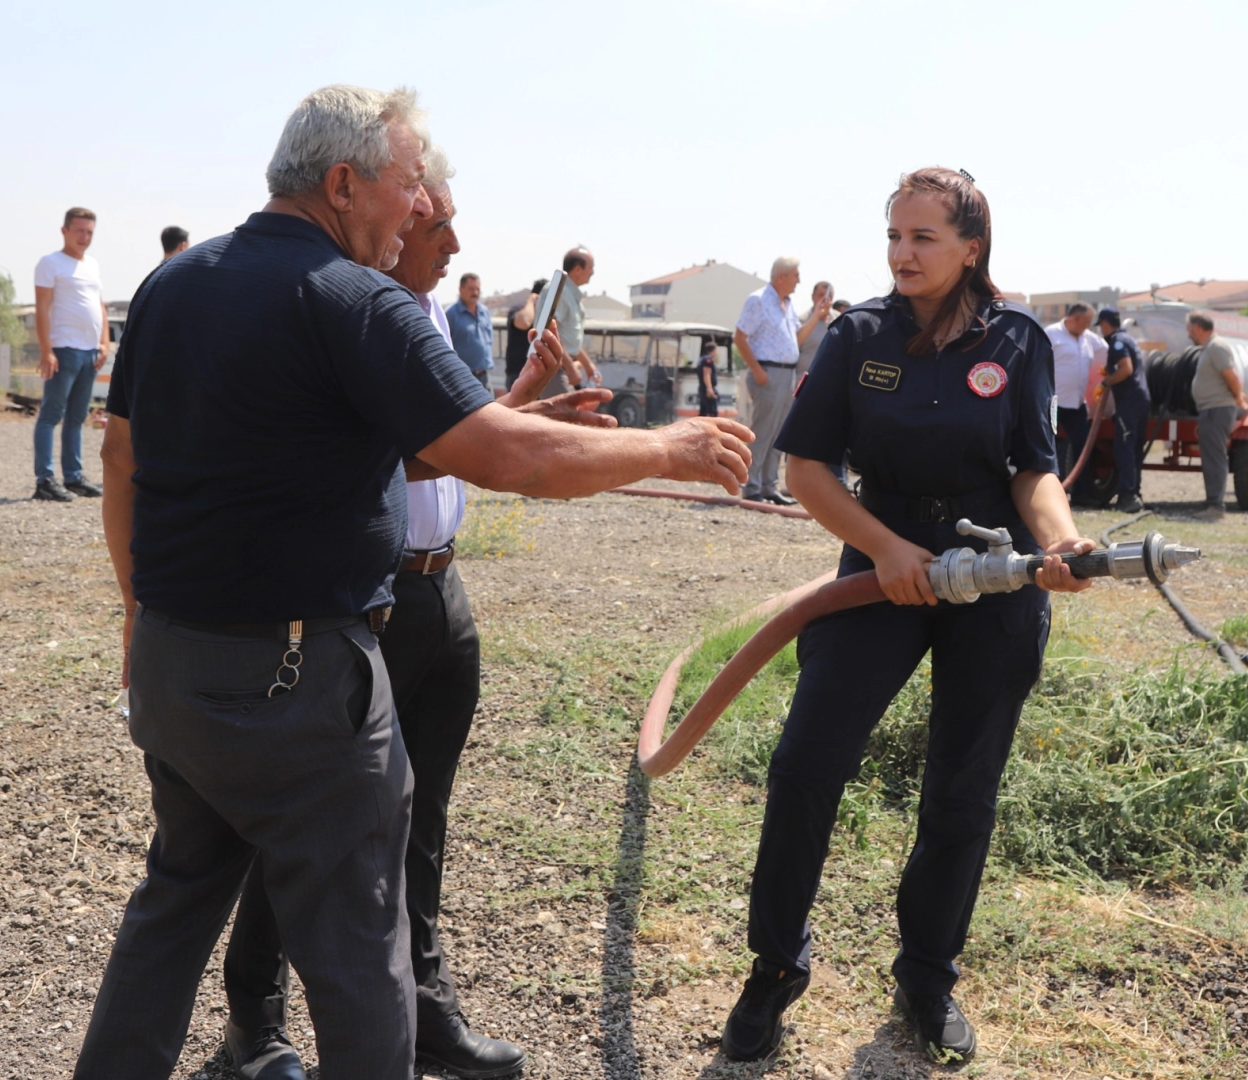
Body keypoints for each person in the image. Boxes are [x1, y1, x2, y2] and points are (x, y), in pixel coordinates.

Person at [77, 84, 752, 1080]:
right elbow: (498, 459)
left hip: (179, 665)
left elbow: (132, 459)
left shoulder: (176, 286)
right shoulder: (354, 300)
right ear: (343, 183)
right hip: (299, 681)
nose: (418, 212)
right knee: (358, 951)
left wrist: (140, 620)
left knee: (170, 912)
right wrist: (670, 445)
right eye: (409, 190)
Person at [215, 147, 607, 1080]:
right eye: (433, 226)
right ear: (388, 229)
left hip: (440, 590)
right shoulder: (349, 316)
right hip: (369, 596)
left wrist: (523, 408)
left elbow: (455, 440)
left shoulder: (425, 310)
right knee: (305, 824)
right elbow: (382, 459)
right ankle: (254, 1025)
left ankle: (425, 1010)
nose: (453, 241)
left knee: (419, 818)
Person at [719, 167, 1093, 1066]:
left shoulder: (1016, 341)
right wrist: (884, 550)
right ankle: (773, 970)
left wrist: (1061, 544)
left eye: (923, 238)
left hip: (992, 574)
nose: (902, 253)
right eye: (894, 235)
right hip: (877, 568)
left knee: (961, 790)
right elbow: (806, 469)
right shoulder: (856, 335)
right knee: (805, 762)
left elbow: (1032, 469)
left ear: (971, 247)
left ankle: (926, 979)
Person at [32, 207, 110, 503]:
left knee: (77, 417)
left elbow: (99, 306)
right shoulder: (50, 263)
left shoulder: (92, 265)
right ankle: (45, 479)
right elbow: (42, 307)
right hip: (63, 350)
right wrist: (46, 350)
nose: (84, 237)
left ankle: (74, 477)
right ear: (65, 230)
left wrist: (104, 344)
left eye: (89, 232)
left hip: (90, 353)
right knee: (52, 415)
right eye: (79, 231)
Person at [735, 257, 828, 505]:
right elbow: (740, 336)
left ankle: (768, 485)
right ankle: (751, 485)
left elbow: (797, 338)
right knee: (763, 431)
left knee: (779, 434)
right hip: (769, 373)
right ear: (781, 277)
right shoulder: (758, 300)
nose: (799, 280)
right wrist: (757, 371)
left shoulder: (786, 304)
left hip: (788, 374)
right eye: (796, 274)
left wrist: (817, 315)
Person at [1185, 310, 1248, 522]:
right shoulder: (1209, 348)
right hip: (1210, 410)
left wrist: (1238, 397)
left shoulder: (1216, 346)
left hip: (1217, 409)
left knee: (1215, 458)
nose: (1188, 334)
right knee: (1212, 457)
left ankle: (1215, 505)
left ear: (1197, 328)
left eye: (1189, 329)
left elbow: (1230, 375)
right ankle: (1213, 502)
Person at [1095, 306, 1148, 513]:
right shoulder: (1129, 339)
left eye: (1101, 326)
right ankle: (1135, 492)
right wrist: (1109, 371)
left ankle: (1128, 497)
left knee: (1124, 448)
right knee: (1134, 448)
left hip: (1129, 402)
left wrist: (1105, 382)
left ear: (1106, 325)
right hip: (1140, 400)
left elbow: (1126, 369)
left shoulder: (1117, 342)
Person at [1046, 301, 1107, 481]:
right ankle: (1052, 492)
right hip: (1053, 403)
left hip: (1077, 404)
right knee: (1050, 449)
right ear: (1075, 318)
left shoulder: (1088, 337)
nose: (1089, 325)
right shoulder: (1051, 334)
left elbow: (1108, 351)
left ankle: (1082, 493)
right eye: (1087, 321)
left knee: (1083, 449)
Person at [553, 246, 602, 392]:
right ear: (578, 270)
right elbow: (550, 332)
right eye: (590, 267)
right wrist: (569, 367)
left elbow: (570, 341)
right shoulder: (560, 292)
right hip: (557, 369)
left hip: (565, 368)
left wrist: (589, 366)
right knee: (563, 414)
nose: (592, 272)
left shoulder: (571, 296)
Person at [446, 272, 494, 390]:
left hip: (485, 377)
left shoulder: (484, 312)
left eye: (478, 289)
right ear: (461, 289)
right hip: (463, 379)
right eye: (471, 289)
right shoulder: (451, 314)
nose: (475, 293)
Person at [505, 278, 545, 392]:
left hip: (537, 373)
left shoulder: (543, 314)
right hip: (517, 374)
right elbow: (525, 322)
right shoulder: (519, 309)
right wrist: (532, 300)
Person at [795, 281, 835, 378]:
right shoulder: (801, 320)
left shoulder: (839, 321)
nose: (825, 299)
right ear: (813, 296)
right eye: (821, 295)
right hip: (801, 381)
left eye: (829, 296)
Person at [697, 341, 720, 417]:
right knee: (712, 412)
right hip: (707, 388)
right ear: (713, 350)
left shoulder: (702, 359)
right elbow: (707, 374)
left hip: (703, 387)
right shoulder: (708, 360)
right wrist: (709, 388)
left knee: (704, 411)